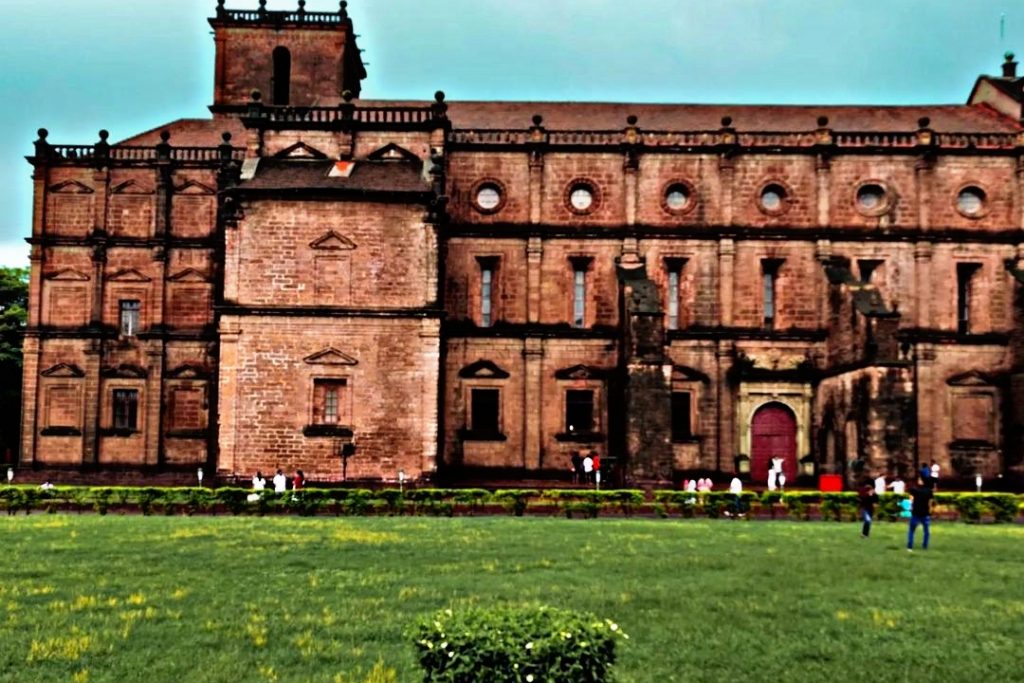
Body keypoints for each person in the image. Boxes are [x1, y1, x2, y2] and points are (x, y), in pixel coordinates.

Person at [907, 476, 934, 551]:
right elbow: (930, 503)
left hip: (916, 512)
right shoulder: (929, 491)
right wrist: (930, 511)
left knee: (911, 530)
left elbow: (911, 499)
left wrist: (911, 507)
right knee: (926, 531)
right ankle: (925, 546)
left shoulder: (914, 490)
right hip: (925, 513)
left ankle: (910, 546)